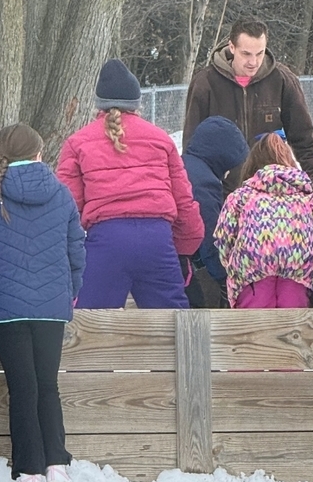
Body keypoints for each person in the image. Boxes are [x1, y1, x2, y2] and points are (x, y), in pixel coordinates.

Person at [0, 123, 86, 482]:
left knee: (22, 387)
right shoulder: (61, 194)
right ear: (40, 153)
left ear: (2, 155)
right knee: (47, 385)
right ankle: (57, 466)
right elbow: (76, 251)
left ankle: (28, 472)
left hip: (4, 306)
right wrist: (70, 292)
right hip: (52, 307)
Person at [56, 59, 203, 309]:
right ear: (137, 103)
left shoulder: (77, 142)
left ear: (99, 103)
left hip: (106, 240)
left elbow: (67, 206)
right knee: (172, 323)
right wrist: (185, 246)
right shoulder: (161, 139)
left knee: (90, 323)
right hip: (157, 238)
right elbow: (183, 200)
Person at [182, 17, 313, 200]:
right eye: (246, 54)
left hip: (272, 194)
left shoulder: (282, 80)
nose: (253, 61)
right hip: (224, 194)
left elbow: (303, 136)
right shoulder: (205, 83)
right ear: (232, 47)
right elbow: (192, 146)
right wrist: (197, 187)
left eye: (259, 53)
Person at [213, 131, 313, 308]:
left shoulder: (240, 197)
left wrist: (232, 263)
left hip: (252, 267)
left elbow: (224, 237)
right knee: (294, 327)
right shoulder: (307, 197)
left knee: (253, 328)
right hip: (299, 267)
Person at [181, 116, 249, 308]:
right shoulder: (203, 184)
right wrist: (224, 278)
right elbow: (210, 239)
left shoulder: (185, 165)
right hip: (187, 264)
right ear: (220, 157)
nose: (229, 173)